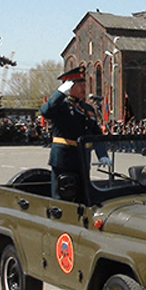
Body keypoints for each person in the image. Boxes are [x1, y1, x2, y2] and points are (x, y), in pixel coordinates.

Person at [40, 66, 111, 200]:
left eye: (85, 85)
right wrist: (59, 93)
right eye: (80, 85)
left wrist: (102, 154)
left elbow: (95, 134)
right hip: (64, 158)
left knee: (83, 195)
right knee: (63, 196)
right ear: (69, 87)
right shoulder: (59, 105)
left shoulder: (87, 108)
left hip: (83, 157)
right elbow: (45, 111)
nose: (84, 89)